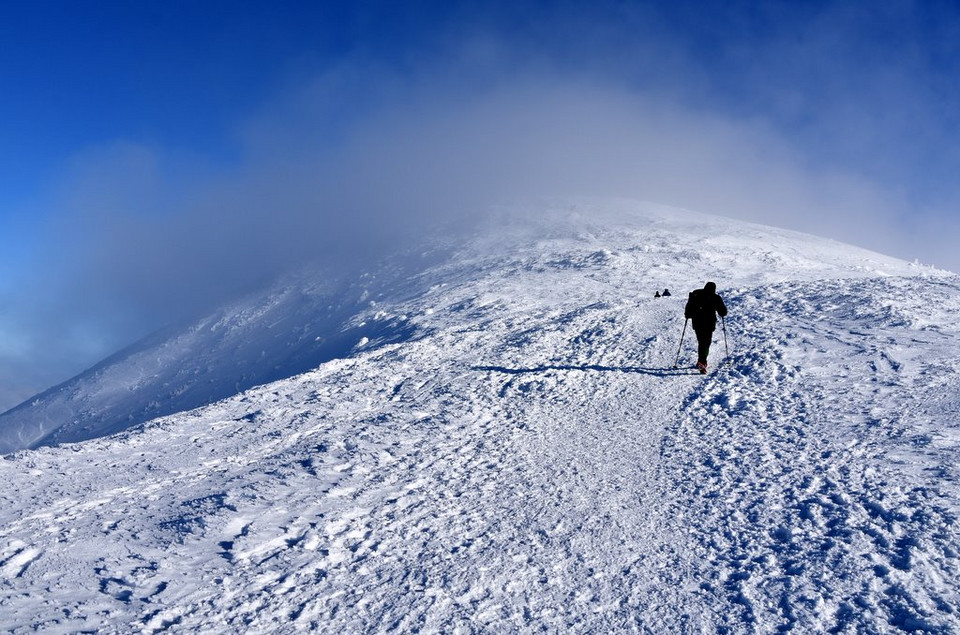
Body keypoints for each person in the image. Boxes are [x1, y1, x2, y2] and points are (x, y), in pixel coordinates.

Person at [684, 281, 728, 374]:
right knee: (706, 342)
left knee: (701, 341)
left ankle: (701, 361)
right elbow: (723, 312)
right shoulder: (715, 297)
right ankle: (702, 361)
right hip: (709, 323)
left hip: (697, 322)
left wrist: (688, 315)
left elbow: (689, 307)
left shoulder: (696, 294)